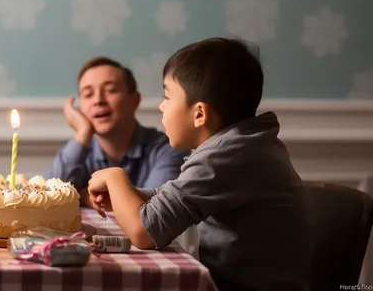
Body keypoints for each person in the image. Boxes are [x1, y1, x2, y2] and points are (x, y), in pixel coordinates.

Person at [87, 38, 313, 291]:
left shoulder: (225, 155)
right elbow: (174, 195)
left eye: (167, 96)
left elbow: (144, 233)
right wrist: (129, 195)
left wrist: (115, 177)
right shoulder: (245, 144)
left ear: (199, 114)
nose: (161, 106)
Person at [44, 56, 188, 208]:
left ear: (135, 100)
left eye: (110, 90)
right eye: (88, 94)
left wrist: (84, 195)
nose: (98, 100)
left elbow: (157, 206)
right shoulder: (81, 150)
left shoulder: (166, 149)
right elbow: (47, 198)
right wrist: (83, 133)